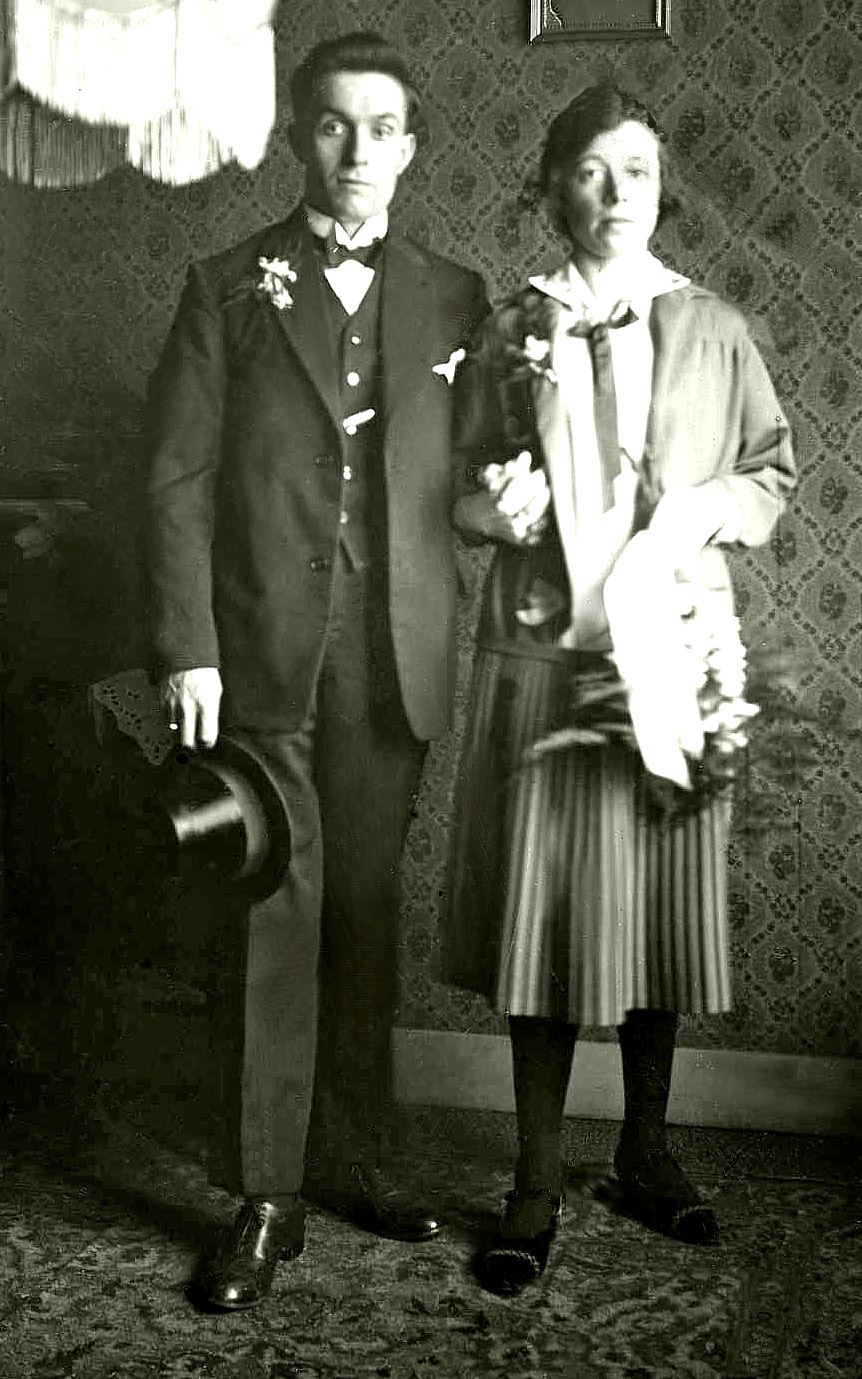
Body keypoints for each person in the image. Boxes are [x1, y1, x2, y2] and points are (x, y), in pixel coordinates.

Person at [144, 31, 489, 1310]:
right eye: (333, 124)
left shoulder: (457, 295)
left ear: (412, 145)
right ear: (299, 136)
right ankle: (265, 1192)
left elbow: (471, 476)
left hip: (392, 651)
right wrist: (187, 645)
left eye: (381, 126)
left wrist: (508, 498)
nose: (357, 150)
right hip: (261, 647)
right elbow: (175, 478)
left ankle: (356, 1154)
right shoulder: (227, 283)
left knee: (365, 910)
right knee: (275, 912)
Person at [444, 84, 796, 1296]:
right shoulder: (508, 326)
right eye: (589, 170)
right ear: (551, 186)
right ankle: (535, 1180)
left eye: (634, 170)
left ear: (660, 187)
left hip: (670, 655)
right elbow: (452, 487)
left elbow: (768, 471)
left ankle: (644, 1147)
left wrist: (704, 509)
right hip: (543, 659)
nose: (613, 193)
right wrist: (490, 511)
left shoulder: (714, 326)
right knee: (540, 919)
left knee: (654, 909)